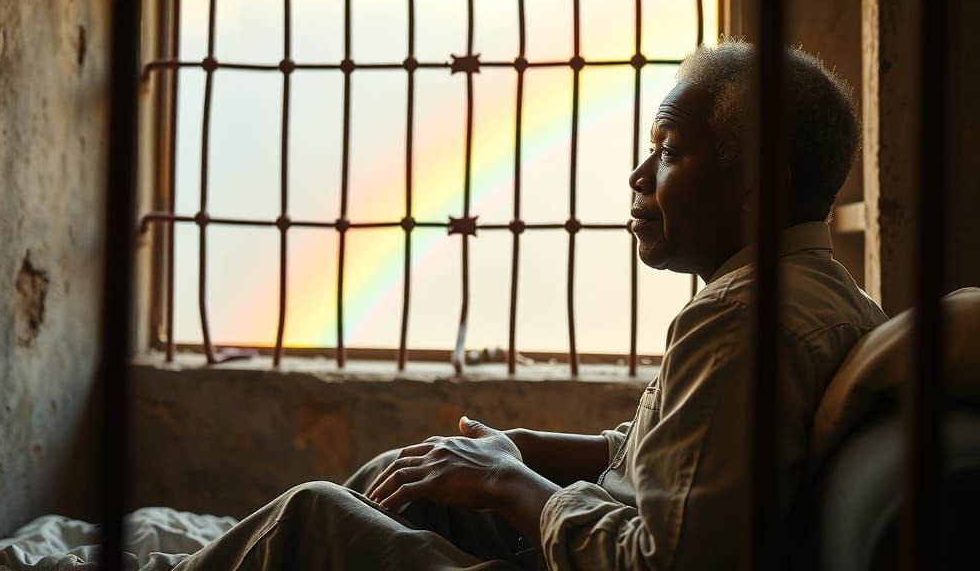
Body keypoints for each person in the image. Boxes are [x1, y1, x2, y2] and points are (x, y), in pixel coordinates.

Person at [174, 40, 888, 571]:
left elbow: (658, 560)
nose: (640, 175)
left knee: (312, 517)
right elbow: (672, 465)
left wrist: (504, 481)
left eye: (669, 151)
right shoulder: (826, 297)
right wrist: (518, 448)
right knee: (414, 476)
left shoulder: (740, 324)